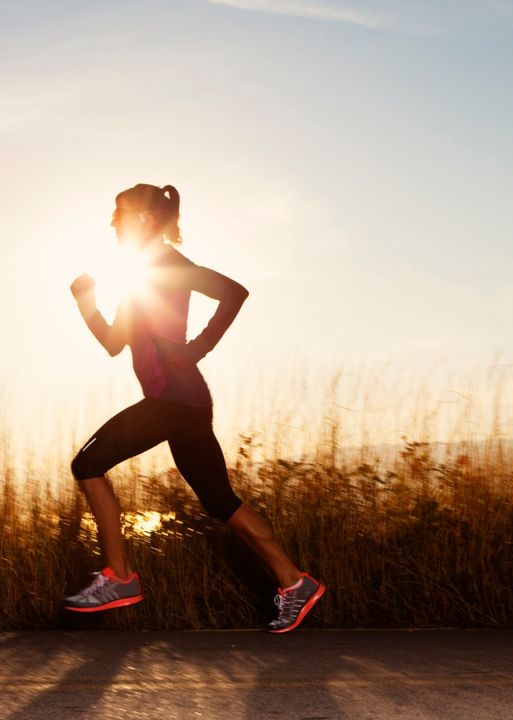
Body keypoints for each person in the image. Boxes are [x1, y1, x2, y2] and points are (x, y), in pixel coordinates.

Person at [64, 183, 324, 633]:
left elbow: (234, 292)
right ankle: (294, 582)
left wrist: (197, 348)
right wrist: (85, 300)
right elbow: (112, 343)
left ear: (145, 218)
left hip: (174, 398)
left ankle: (120, 577)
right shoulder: (140, 276)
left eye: (119, 212)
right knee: (222, 503)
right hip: (182, 402)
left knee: (87, 464)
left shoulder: (168, 264)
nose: (112, 220)